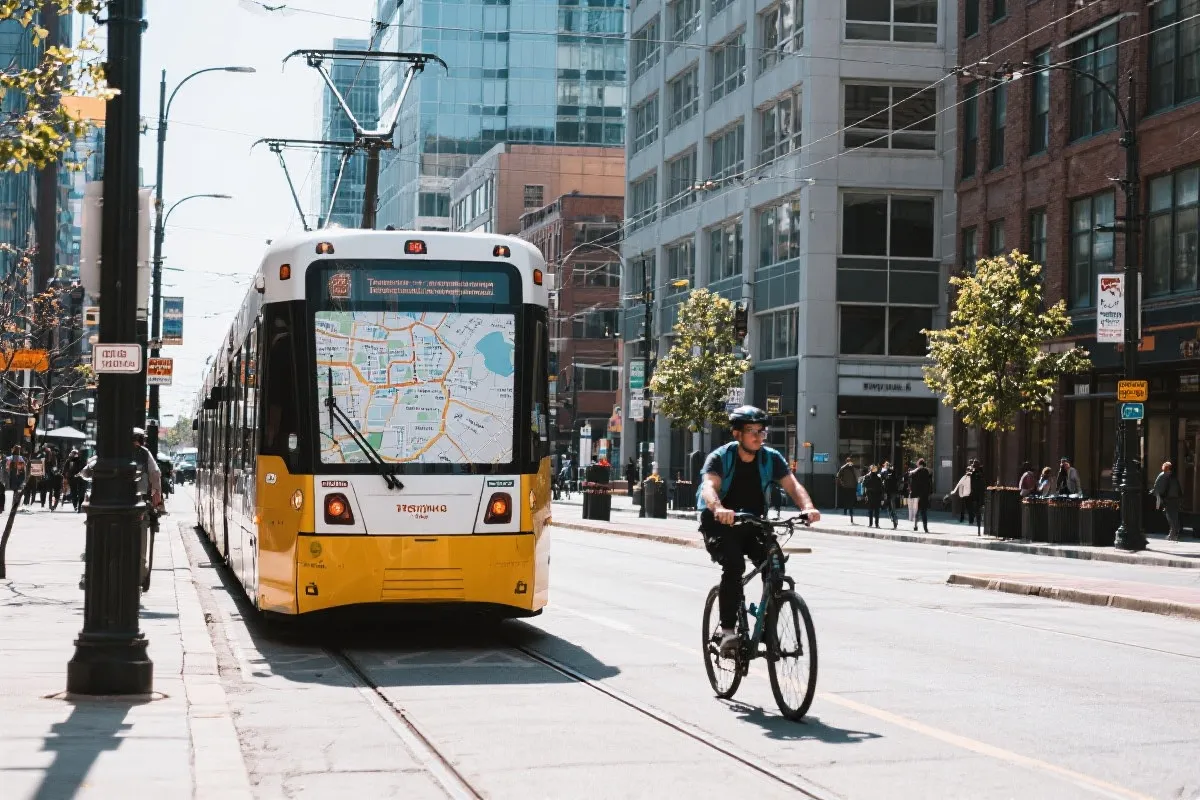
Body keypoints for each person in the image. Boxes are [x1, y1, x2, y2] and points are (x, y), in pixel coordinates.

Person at [698, 406, 820, 656]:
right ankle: (729, 631)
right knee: (734, 566)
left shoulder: (771, 458)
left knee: (775, 564)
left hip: (754, 523)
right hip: (720, 523)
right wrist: (719, 508)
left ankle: (767, 625)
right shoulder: (721, 457)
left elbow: (792, 485)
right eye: (751, 431)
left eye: (761, 431)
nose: (757, 437)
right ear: (737, 434)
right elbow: (709, 486)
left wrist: (807, 507)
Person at [132, 428, 163, 592]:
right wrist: (157, 498)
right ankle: (140, 576)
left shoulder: (113, 450)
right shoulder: (144, 453)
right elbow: (155, 474)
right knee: (141, 545)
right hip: (140, 504)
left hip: (128, 504)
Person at [1152, 461, 1184, 541]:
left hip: (1168, 498)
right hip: (1175, 498)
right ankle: (1174, 532)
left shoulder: (1163, 475)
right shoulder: (1173, 476)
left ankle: (1172, 533)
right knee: (1174, 515)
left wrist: (1157, 494)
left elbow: (1157, 486)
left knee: (1169, 515)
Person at [907, 458, 933, 533]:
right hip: (924, 495)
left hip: (917, 495)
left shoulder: (916, 472)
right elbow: (929, 484)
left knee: (917, 511)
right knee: (924, 512)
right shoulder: (927, 472)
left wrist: (913, 493)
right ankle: (925, 528)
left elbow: (913, 482)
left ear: (919, 464)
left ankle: (915, 525)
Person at [836, 457, 858, 522]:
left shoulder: (852, 468)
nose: (849, 463)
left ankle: (850, 512)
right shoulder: (844, 468)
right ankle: (847, 511)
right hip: (847, 487)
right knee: (847, 499)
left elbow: (856, 476)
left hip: (851, 487)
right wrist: (842, 483)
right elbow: (838, 475)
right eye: (848, 461)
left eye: (850, 461)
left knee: (850, 499)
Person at [880, 460, 900, 529]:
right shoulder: (884, 473)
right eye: (885, 465)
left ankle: (895, 521)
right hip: (887, 492)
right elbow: (881, 477)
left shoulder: (892, 472)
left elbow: (895, 477)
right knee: (888, 507)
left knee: (892, 507)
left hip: (892, 492)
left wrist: (887, 470)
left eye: (887, 465)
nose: (886, 466)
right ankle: (893, 519)